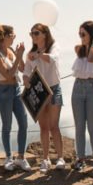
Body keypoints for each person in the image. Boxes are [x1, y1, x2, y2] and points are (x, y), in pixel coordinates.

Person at [0, 24, 31, 172]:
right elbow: (7, 74)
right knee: (7, 125)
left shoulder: (11, 51)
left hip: (16, 89)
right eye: (13, 35)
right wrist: (18, 56)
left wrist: (20, 55)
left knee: (23, 123)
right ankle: (8, 157)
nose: (14, 37)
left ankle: (20, 157)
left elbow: (21, 69)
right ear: (5, 36)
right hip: (4, 91)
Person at [24, 23, 64, 172]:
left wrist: (38, 55)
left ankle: (60, 158)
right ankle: (45, 159)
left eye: (36, 33)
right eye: (31, 33)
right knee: (43, 127)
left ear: (45, 34)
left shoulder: (54, 46)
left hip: (53, 88)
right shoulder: (31, 53)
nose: (33, 36)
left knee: (54, 125)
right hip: (39, 90)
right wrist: (26, 80)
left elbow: (53, 59)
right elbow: (27, 71)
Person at [70, 21, 93, 173]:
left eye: (83, 34)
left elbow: (92, 58)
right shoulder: (78, 49)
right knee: (79, 126)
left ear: (92, 34)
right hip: (78, 87)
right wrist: (90, 42)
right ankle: (80, 158)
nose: (81, 37)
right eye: (79, 34)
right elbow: (87, 56)